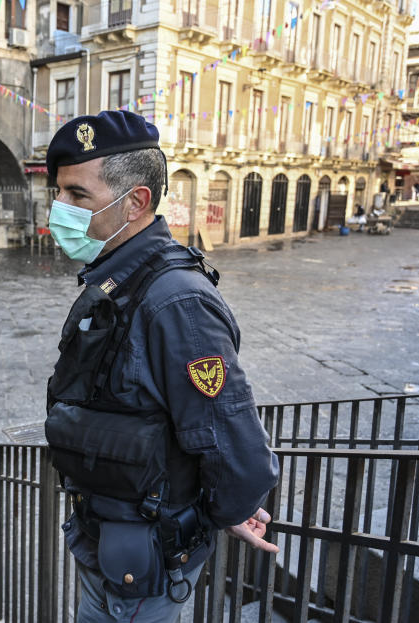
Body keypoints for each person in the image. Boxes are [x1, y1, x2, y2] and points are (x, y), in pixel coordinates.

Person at [43, 111, 279, 622]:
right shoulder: (113, 280)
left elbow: (228, 432)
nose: (58, 209)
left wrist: (232, 506)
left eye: (77, 195)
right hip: (103, 540)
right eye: (58, 193)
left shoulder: (175, 301)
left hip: (144, 561)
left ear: (136, 202)